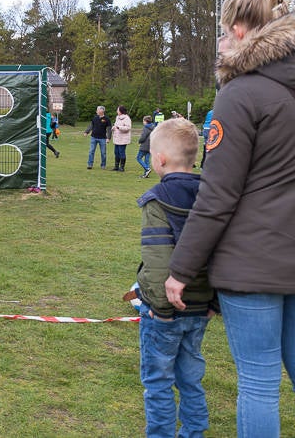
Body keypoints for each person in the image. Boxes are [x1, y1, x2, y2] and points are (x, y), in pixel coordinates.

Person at [164, 0, 295, 437]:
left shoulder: (240, 94)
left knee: (259, 383)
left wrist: (181, 269)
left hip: (253, 262)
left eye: (223, 31)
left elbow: (217, 194)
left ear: (239, 30)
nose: (221, 41)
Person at [134, 117, 218, 438]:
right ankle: (194, 431)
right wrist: (215, 301)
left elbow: (158, 261)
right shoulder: (212, 196)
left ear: (159, 159)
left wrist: (160, 309)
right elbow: (222, 251)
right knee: (190, 378)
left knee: (158, 381)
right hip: (200, 307)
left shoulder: (156, 200)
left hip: (164, 312)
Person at [83, 105, 111, 169]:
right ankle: (90, 164)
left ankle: (103, 165)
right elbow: (91, 126)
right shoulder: (95, 118)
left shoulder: (107, 119)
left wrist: (108, 138)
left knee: (103, 153)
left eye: (97, 110)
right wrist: (86, 132)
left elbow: (109, 129)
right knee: (91, 151)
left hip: (102, 138)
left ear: (102, 111)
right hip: (93, 137)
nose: (96, 111)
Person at [111, 105, 132, 172]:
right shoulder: (117, 117)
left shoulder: (127, 118)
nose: (117, 111)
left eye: (118, 110)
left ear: (121, 111)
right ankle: (116, 167)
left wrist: (119, 127)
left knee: (121, 152)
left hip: (123, 139)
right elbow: (115, 125)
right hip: (117, 138)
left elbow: (128, 128)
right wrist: (113, 128)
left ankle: (122, 167)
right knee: (116, 152)